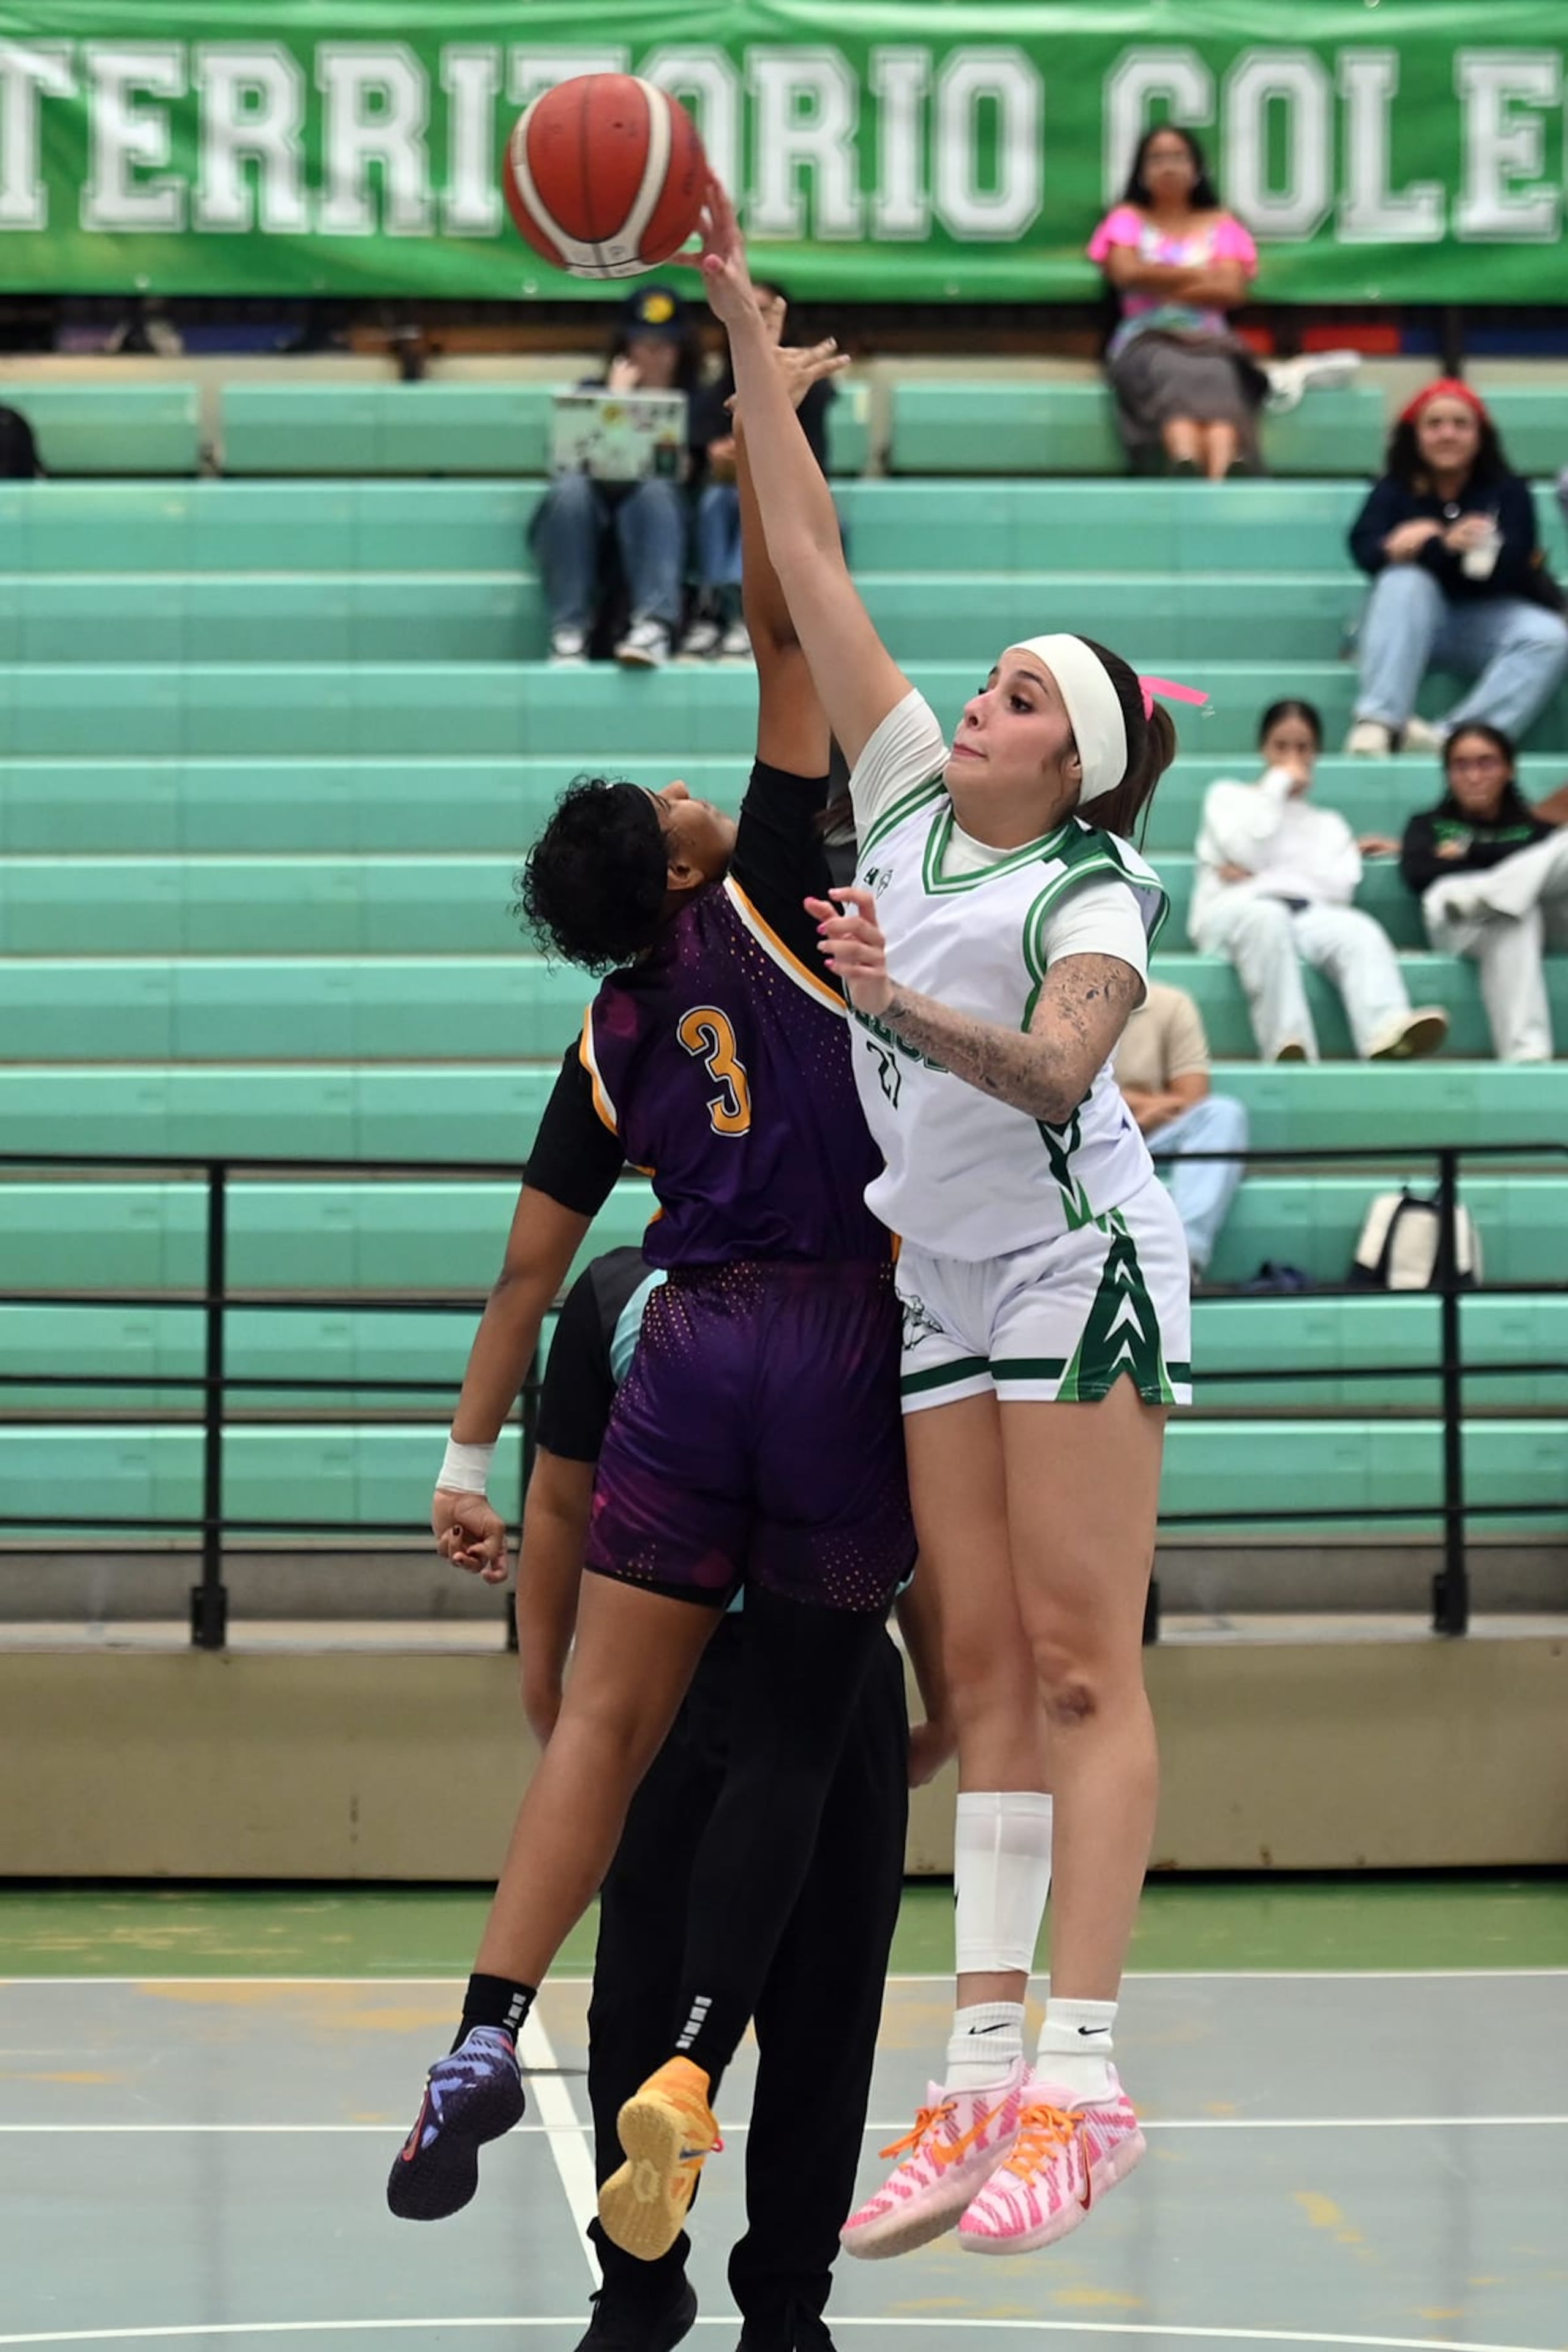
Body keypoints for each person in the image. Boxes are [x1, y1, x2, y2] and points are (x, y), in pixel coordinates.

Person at [693, 172, 1198, 2262]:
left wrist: (896, 1006)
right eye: (984, 683)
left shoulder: (1093, 885)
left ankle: (1087, 2079)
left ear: (1074, 763)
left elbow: (1070, 1074)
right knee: (977, 1667)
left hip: (1081, 1268)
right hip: (948, 1279)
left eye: (1020, 696)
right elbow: (806, 556)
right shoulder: (904, 796)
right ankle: (982, 2062)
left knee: (1079, 1667)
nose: (976, 700)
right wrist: (750, 354)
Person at [386, 329, 922, 2291]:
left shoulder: (608, 1030)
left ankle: (478, 2027)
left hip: (678, 1346)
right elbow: (791, 608)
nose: (696, 780)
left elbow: (529, 1276)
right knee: (794, 1726)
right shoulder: (774, 883)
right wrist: (766, 400)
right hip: (836, 1341)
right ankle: (694, 2064)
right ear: (680, 853)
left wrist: (462, 1461)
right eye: (668, 789)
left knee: (599, 1733)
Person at [526, 1246, 944, 2352]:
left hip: (841, 1674)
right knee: (640, 1996)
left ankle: (789, 2307)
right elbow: (560, 1499)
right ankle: (638, 2286)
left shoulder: (890, 1299)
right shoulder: (619, 1295)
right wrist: (546, 1682)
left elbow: (926, 1514)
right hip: (671, 1678)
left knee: (826, 2010)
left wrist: (948, 1697)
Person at [1189, 697, 1449, 1063]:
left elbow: (1339, 888)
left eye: (1303, 748)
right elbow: (1247, 849)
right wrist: (1277, 785)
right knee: (1267, 917)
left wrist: (1262, 876)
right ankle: (1289, 1045)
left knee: (1358, 929)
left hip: (1306, 915)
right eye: (1281, 747)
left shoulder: (1328, 823)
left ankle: (1386, 1031)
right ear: (1264, 748)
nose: (1292, 758)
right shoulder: (1228, 798)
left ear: (1317, 753)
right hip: (1233, 913)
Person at [1345, 379, 1568, 755]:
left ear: (1480, 435)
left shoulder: (1509, 490)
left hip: (1483, 622)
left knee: (1550, 637)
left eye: (1460, 424)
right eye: (1435, 424)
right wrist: (1442, 545)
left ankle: (1456, 739)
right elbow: (1366, 551)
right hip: (1406, 625)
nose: (1447, 434)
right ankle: (1378, 722)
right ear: (1416, 435)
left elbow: (1513, 568)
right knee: (1403, 581)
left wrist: (1430, 545)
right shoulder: (1395, 488)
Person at [531, 284, 706, 669]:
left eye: (666, 346)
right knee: (569, 492)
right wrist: (617, 402)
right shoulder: (592, 392)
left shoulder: (698, 402)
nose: (654, 355)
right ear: (626, 348)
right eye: (644, 345)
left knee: (655, 490)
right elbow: (567, 458)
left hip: (658, 520)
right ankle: (569, 634)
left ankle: (653, 628)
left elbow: (696, 473)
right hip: (591, 512)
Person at [1088, 126, 1265, 480]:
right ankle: (1185, 460)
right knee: (1167, 367)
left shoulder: (1222, 224)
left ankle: (1221, 476)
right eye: (1157, 159)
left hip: (1211, 341)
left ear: (1196, 168)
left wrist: (1157, 282)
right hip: (1145, 337)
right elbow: (1126, 273)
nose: (1168, 167)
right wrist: (1201, 276)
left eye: (1178, 157)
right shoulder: (1126, 220)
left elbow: (1231, 288)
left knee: (1219, 372)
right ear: (1142, 171)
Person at [679, 284, 835, 665]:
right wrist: (716, 457)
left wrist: (763, 443)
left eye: (763, 311)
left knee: (768, 512)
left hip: (796, 502)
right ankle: (712, 607)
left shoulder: (812, 385)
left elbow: (815, 466)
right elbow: (694, 456)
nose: (756, 321)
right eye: (745, 310)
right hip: (727, 493)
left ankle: (743, 618)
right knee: (717, 501)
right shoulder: (716, 387)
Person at [1400, 723, 1568, 1063]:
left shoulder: (1536, 828)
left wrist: (1468, 852)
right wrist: (1505, 859)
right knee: (1517, 911)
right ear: (1448, 774)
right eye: (1461, 766)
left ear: (1509, 769)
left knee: (1521, 901)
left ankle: (1488, 898)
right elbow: (1419, 873)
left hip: (1518, 912)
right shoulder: (1427, 824)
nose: (1474, 776)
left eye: (1486, 763)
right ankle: (1526, 1053)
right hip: (1455, 912)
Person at [1112, 981, 1248, 1284]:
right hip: (1084, 1139)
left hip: (1151, 1136)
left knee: (1224, 1114)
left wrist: (1120, 1104)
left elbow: (1193, 1097)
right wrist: (1129, 1105)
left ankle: (1185, 1260)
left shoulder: (1171, 1004)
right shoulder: (1057, 1005)